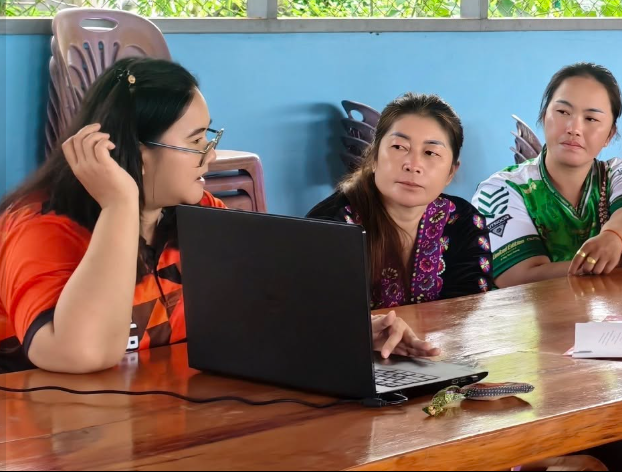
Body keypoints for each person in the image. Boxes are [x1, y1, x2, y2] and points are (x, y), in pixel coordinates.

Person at [0, 58, 434, 374]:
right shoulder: (40, 228)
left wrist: (350, 333)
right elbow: (84, 355)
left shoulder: (197, 215)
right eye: (195, 141)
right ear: (138, 151)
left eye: (210, 136)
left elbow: (266, 306)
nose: (210, 155)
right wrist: (120, 206)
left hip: (161, 425)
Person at [474, 63, 622, 287]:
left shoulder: (616, 173)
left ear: (610, 134)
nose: (573, 128)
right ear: (544, 117)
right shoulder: (501, 189)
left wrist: (613, 238)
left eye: (591, 119)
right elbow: (520, 278)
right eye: (563, 112)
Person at [308, 93, 494, 306]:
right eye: (399, 147)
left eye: (430, 152)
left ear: (451, 172)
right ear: (374, 157)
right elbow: (316, 314)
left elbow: (469, 312)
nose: (413, 165)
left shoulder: (463, 221)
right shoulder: (330, 225)